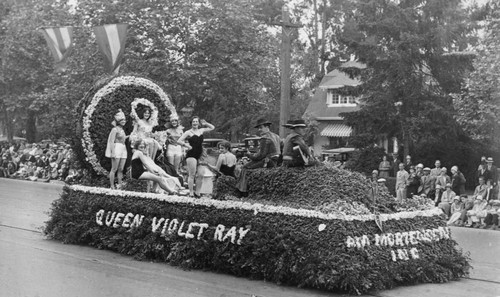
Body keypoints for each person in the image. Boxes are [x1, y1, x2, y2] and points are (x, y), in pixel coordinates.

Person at [236, 118, 280, 195]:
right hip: (276, 161)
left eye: (261, 127)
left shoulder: (265, 137)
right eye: (258, 128)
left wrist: (249, 155)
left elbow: (261, 155)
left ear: (267, 127)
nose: (259, 129)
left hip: (268, 162)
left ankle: (242, 191)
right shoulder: (276, 136)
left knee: (245, 167)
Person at [177, 116, 215, 197]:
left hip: (200, 154)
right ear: (191, 123)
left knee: (201, 174)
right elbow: (179, 141)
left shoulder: (201, 130)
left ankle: (198, 192)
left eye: (196, 121)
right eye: (193, 122)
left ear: (198, 123)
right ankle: (191, 192)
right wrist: (186, 145)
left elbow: (212, 127)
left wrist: (205, 123)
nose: (195, 123)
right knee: (192, 174)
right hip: (191, 154)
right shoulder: (188, 132)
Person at [105, 109, 128, 189]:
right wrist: (113, 152)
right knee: (114, 168)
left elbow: (124, 138)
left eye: (124, 120)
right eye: (122, 120)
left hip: (123, 148)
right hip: (117, 148)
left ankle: (119, 185)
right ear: (118, 121)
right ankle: (112, 185)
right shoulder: (114, 129)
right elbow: (111, 141)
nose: (123, 121)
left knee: (121, 168)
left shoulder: (122, 130)